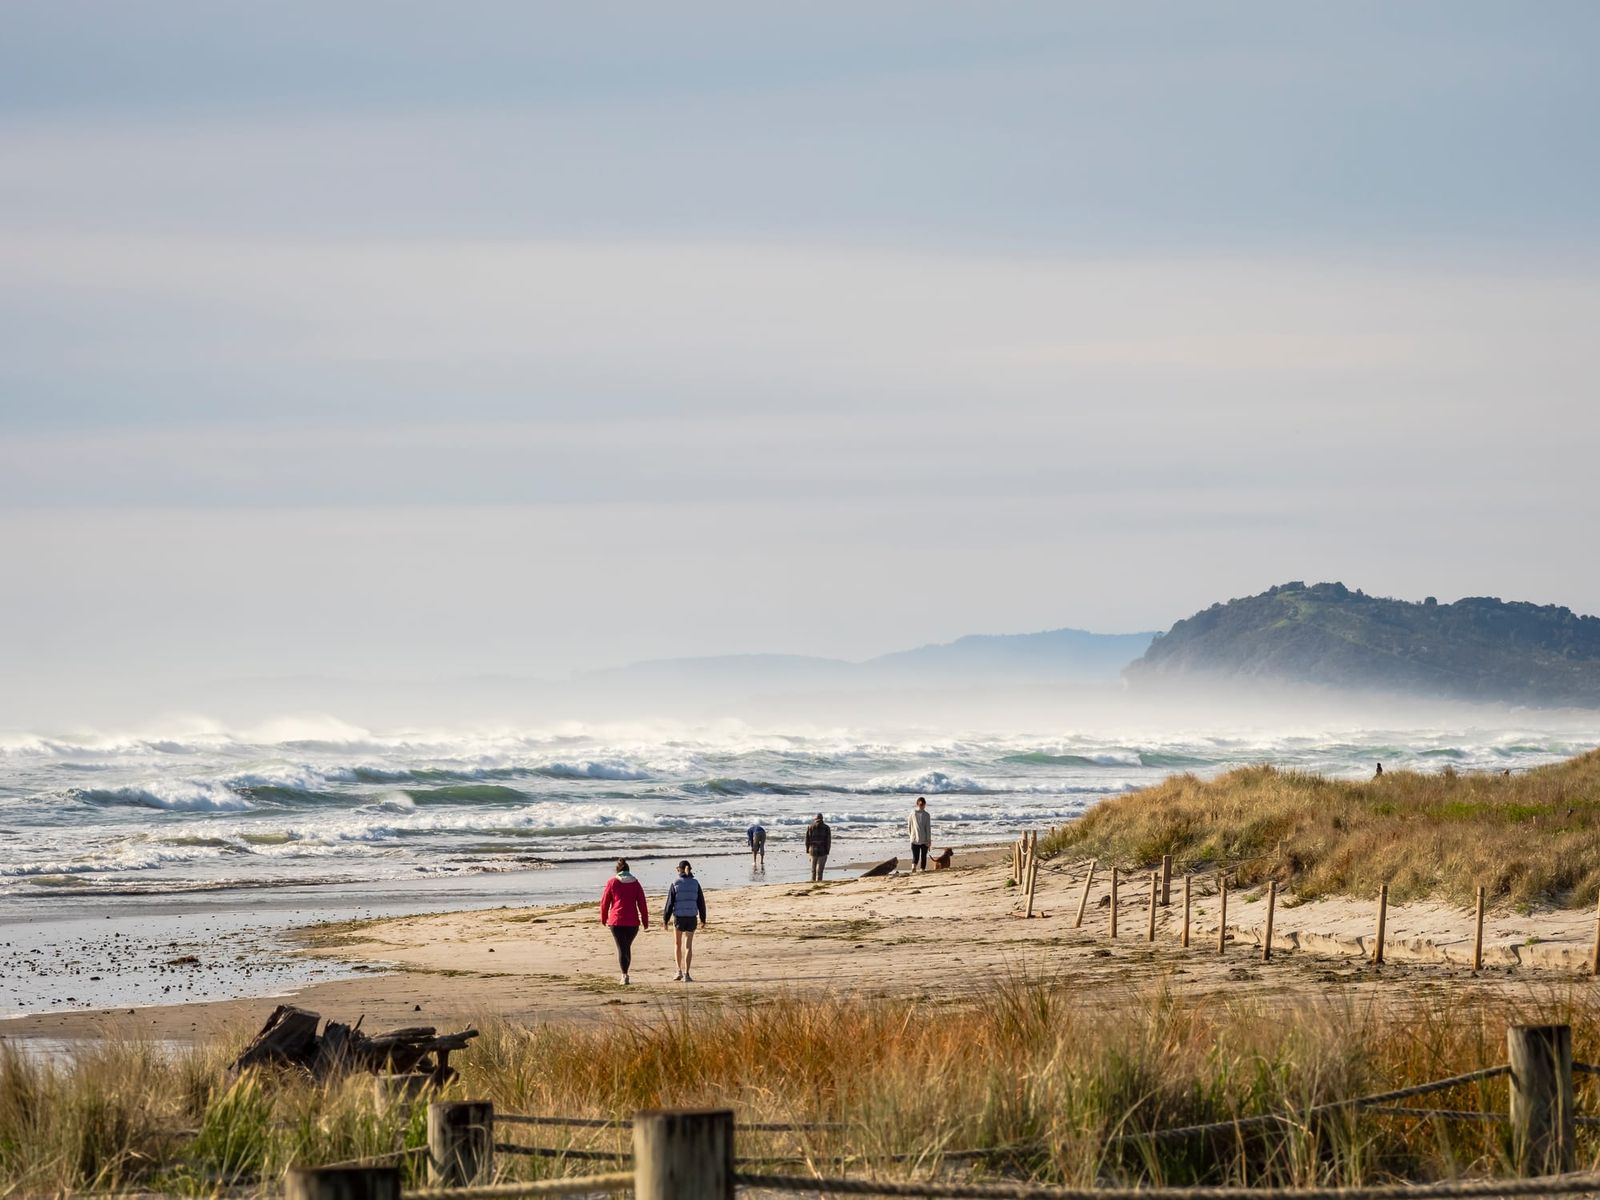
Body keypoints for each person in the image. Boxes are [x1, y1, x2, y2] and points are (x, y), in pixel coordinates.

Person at [597, 858, 649, 985]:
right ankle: (625, 974)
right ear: (628, 870)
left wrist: (603, 918)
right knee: (625, 947)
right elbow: (642, 903)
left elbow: (604, 902)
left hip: (616, 921)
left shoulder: (612, 882)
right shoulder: (635, 883)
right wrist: (645, 921)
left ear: (617, 870)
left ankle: (624, 975)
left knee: (622, 947)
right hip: (632, 922)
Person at [662, 859, 706, 982]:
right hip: (691, 917)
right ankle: (687, 973)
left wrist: (665, 919)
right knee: (688, 946)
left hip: (679, 917)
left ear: (679, 869)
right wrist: (703, 918)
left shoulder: (675, 883)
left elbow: (669, 903)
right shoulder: (695, 883)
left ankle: (678, 971)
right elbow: (701, 902)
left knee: (677, 944)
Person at [805, 813, 832, 882]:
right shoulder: (826, 827)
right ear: (822, 819)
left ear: (815, 819)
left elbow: (807, 840)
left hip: (812, 850)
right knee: (820, 870)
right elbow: (828, 841)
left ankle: (813, 881)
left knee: (813, 869)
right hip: (823, 850)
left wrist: (807, 850)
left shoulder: (810, 827)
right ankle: (819, 882)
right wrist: (827, 850)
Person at [908, 796, 931, 872]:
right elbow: (928, 829)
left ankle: (913, 867)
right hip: (924, 839)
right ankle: (922, 870)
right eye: (922, 804)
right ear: (925, 805)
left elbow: (909, 826)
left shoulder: (912, 813)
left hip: (914, 839)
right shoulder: (926, 815)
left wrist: (911, 836)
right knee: (923, 856)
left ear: (917, 804)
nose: (922, 806)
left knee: (915, 857)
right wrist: (929, 840)